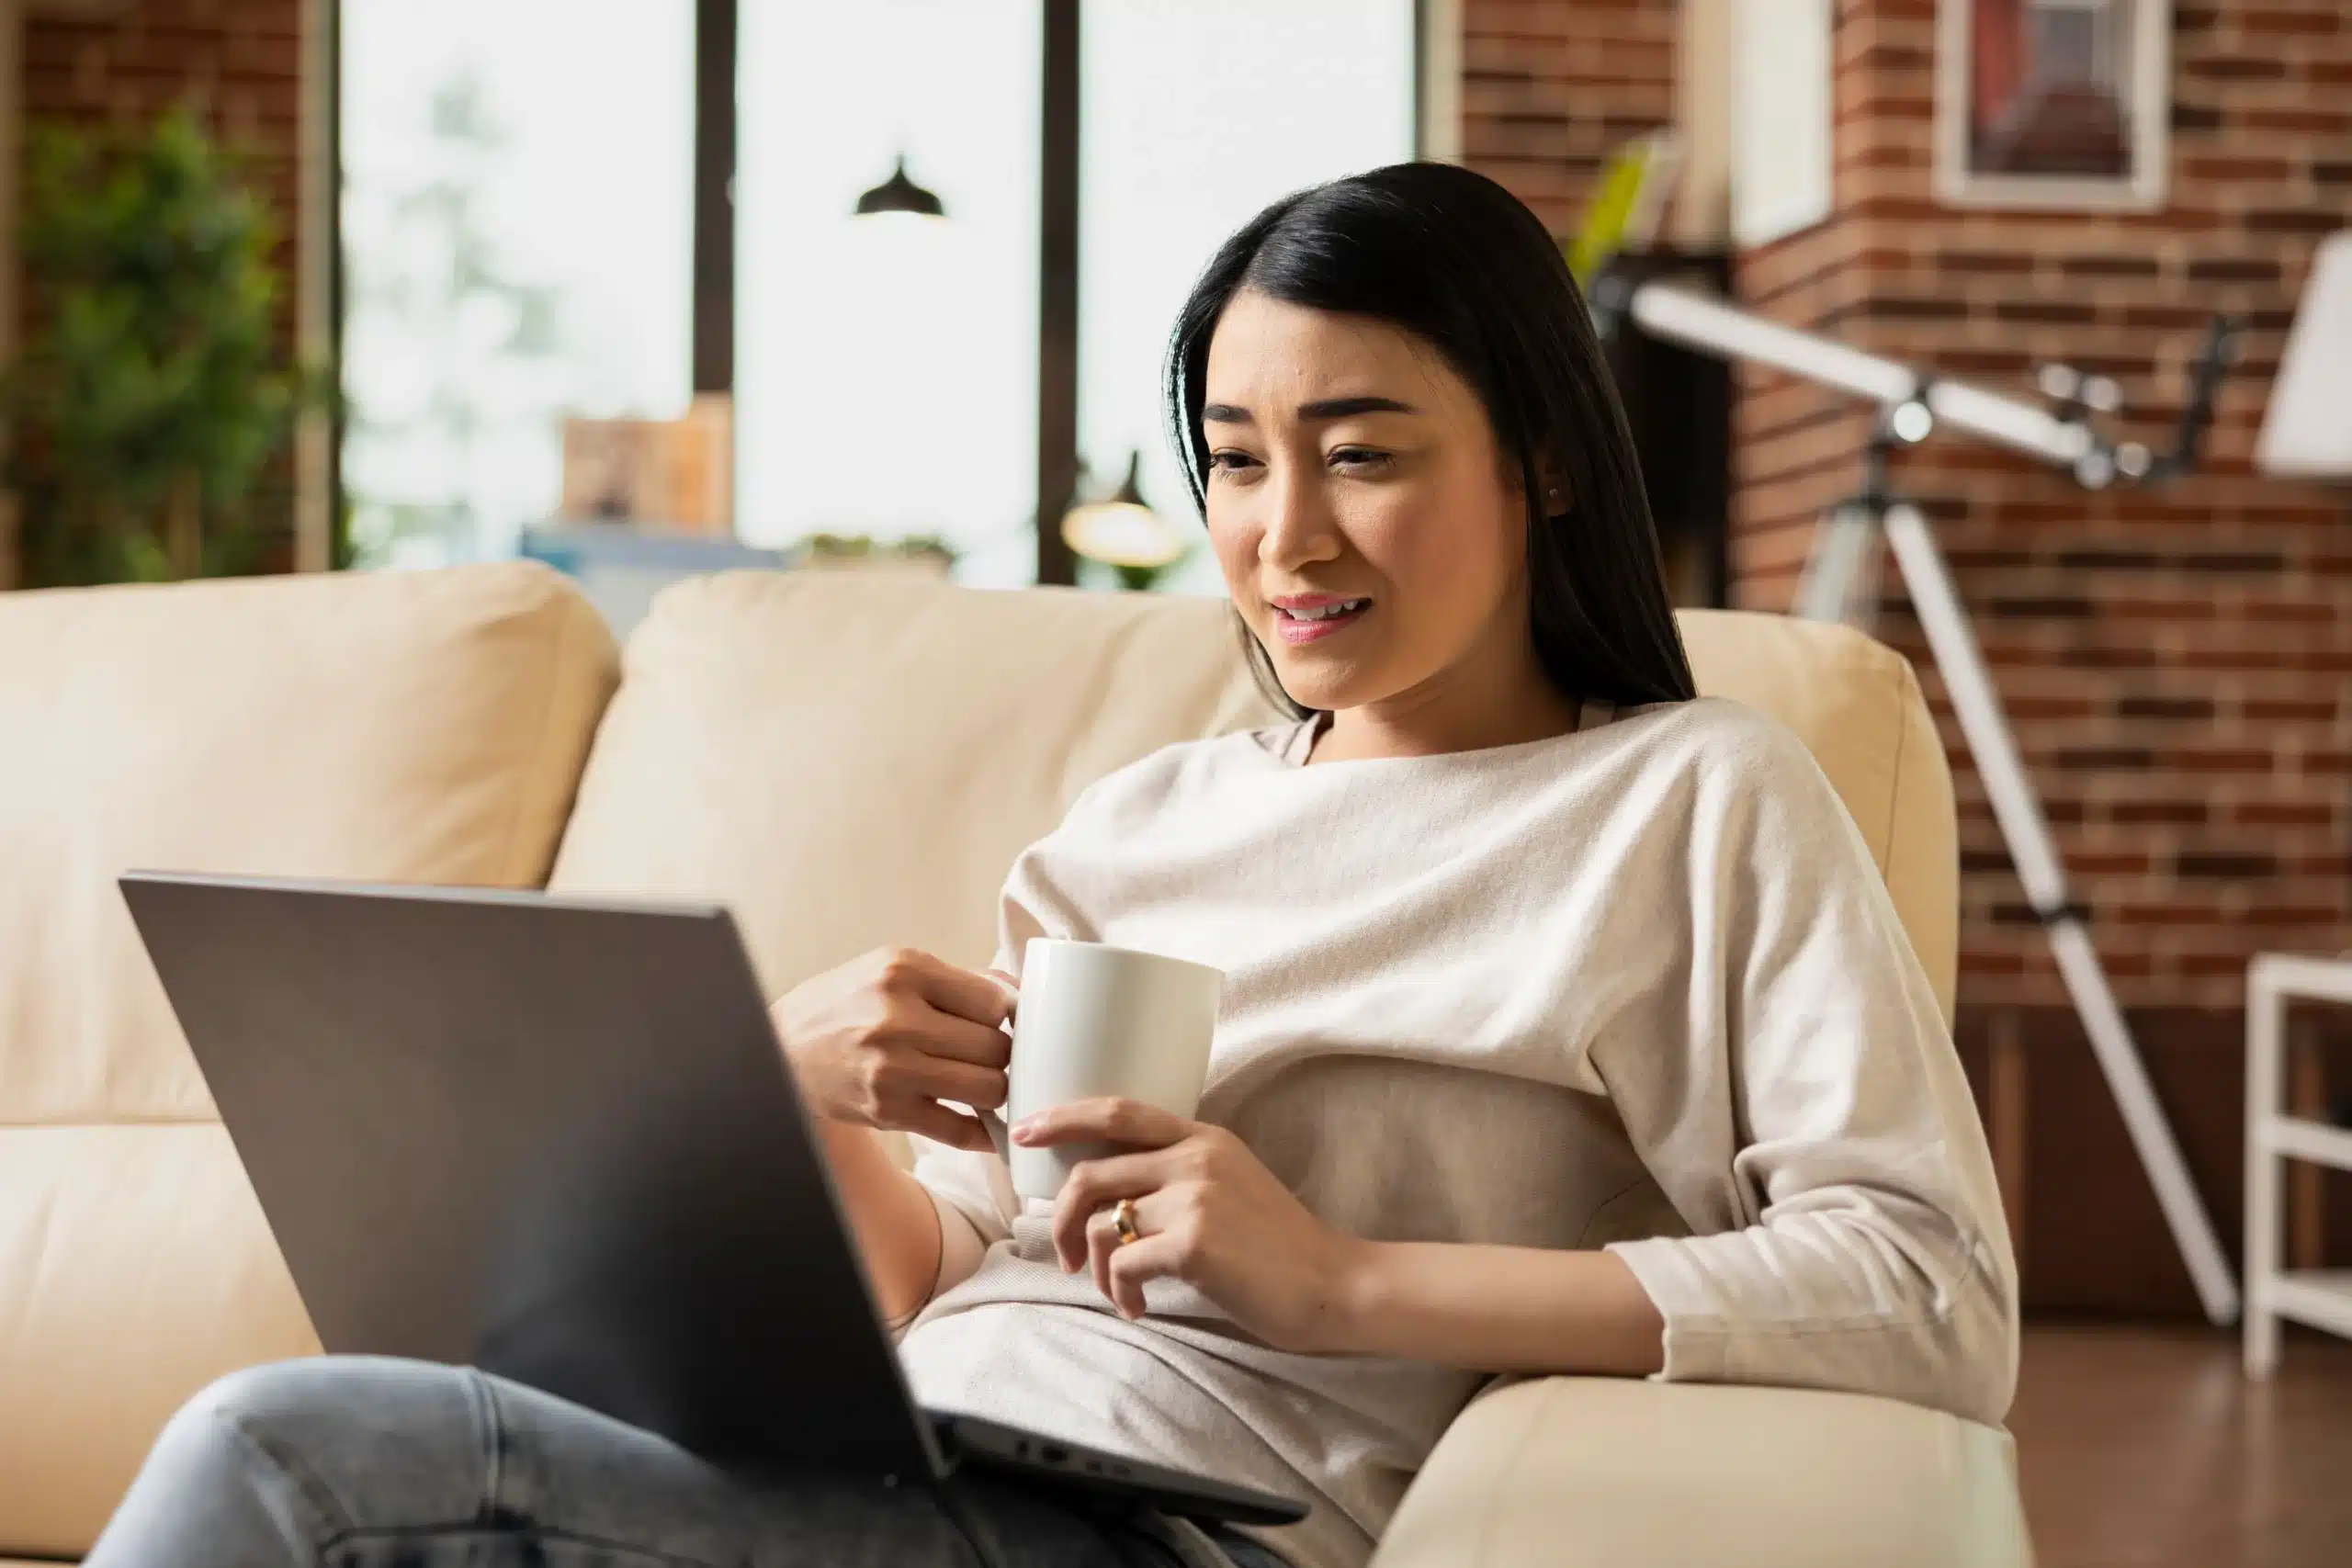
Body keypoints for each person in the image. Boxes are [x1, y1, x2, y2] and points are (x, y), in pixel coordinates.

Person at [87, 162, 2017, 1568]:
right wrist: (765, 1086)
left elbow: (1925, 1288)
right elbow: (954, 1254)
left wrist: (1341, 1283)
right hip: (910, 1456)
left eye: (1359, 450)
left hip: (1176, 1525)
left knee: (286, 1462)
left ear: (1546, 461)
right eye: (1235, 459)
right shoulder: (1139, 823)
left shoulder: (1694, 799)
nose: (1282, 531)